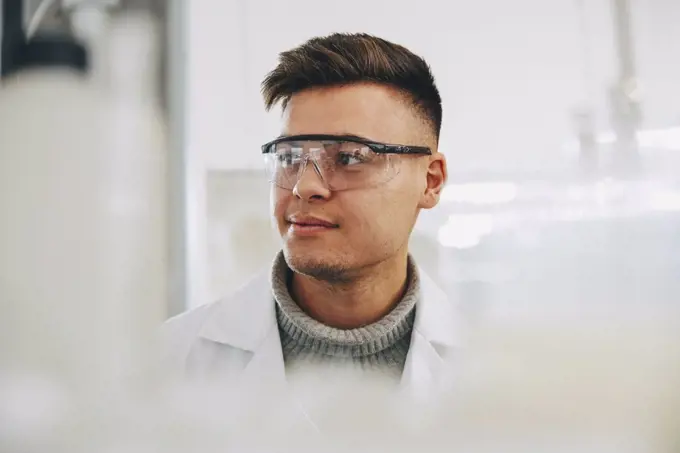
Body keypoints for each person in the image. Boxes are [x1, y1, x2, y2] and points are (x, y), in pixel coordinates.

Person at [162, 33, 460, 408]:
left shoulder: (493, 376)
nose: (304, 186)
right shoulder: (168, 361)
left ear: (430, 181)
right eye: (289, 158)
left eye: (351, 158)